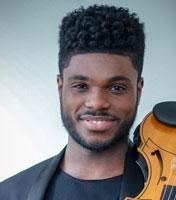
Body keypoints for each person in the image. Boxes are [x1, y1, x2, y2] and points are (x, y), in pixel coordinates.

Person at [0, 4, 146, 200]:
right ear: (60, 88)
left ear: (138, 90)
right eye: (80, 86)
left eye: (116, 88)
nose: (96, 103)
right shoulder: (8, 194)